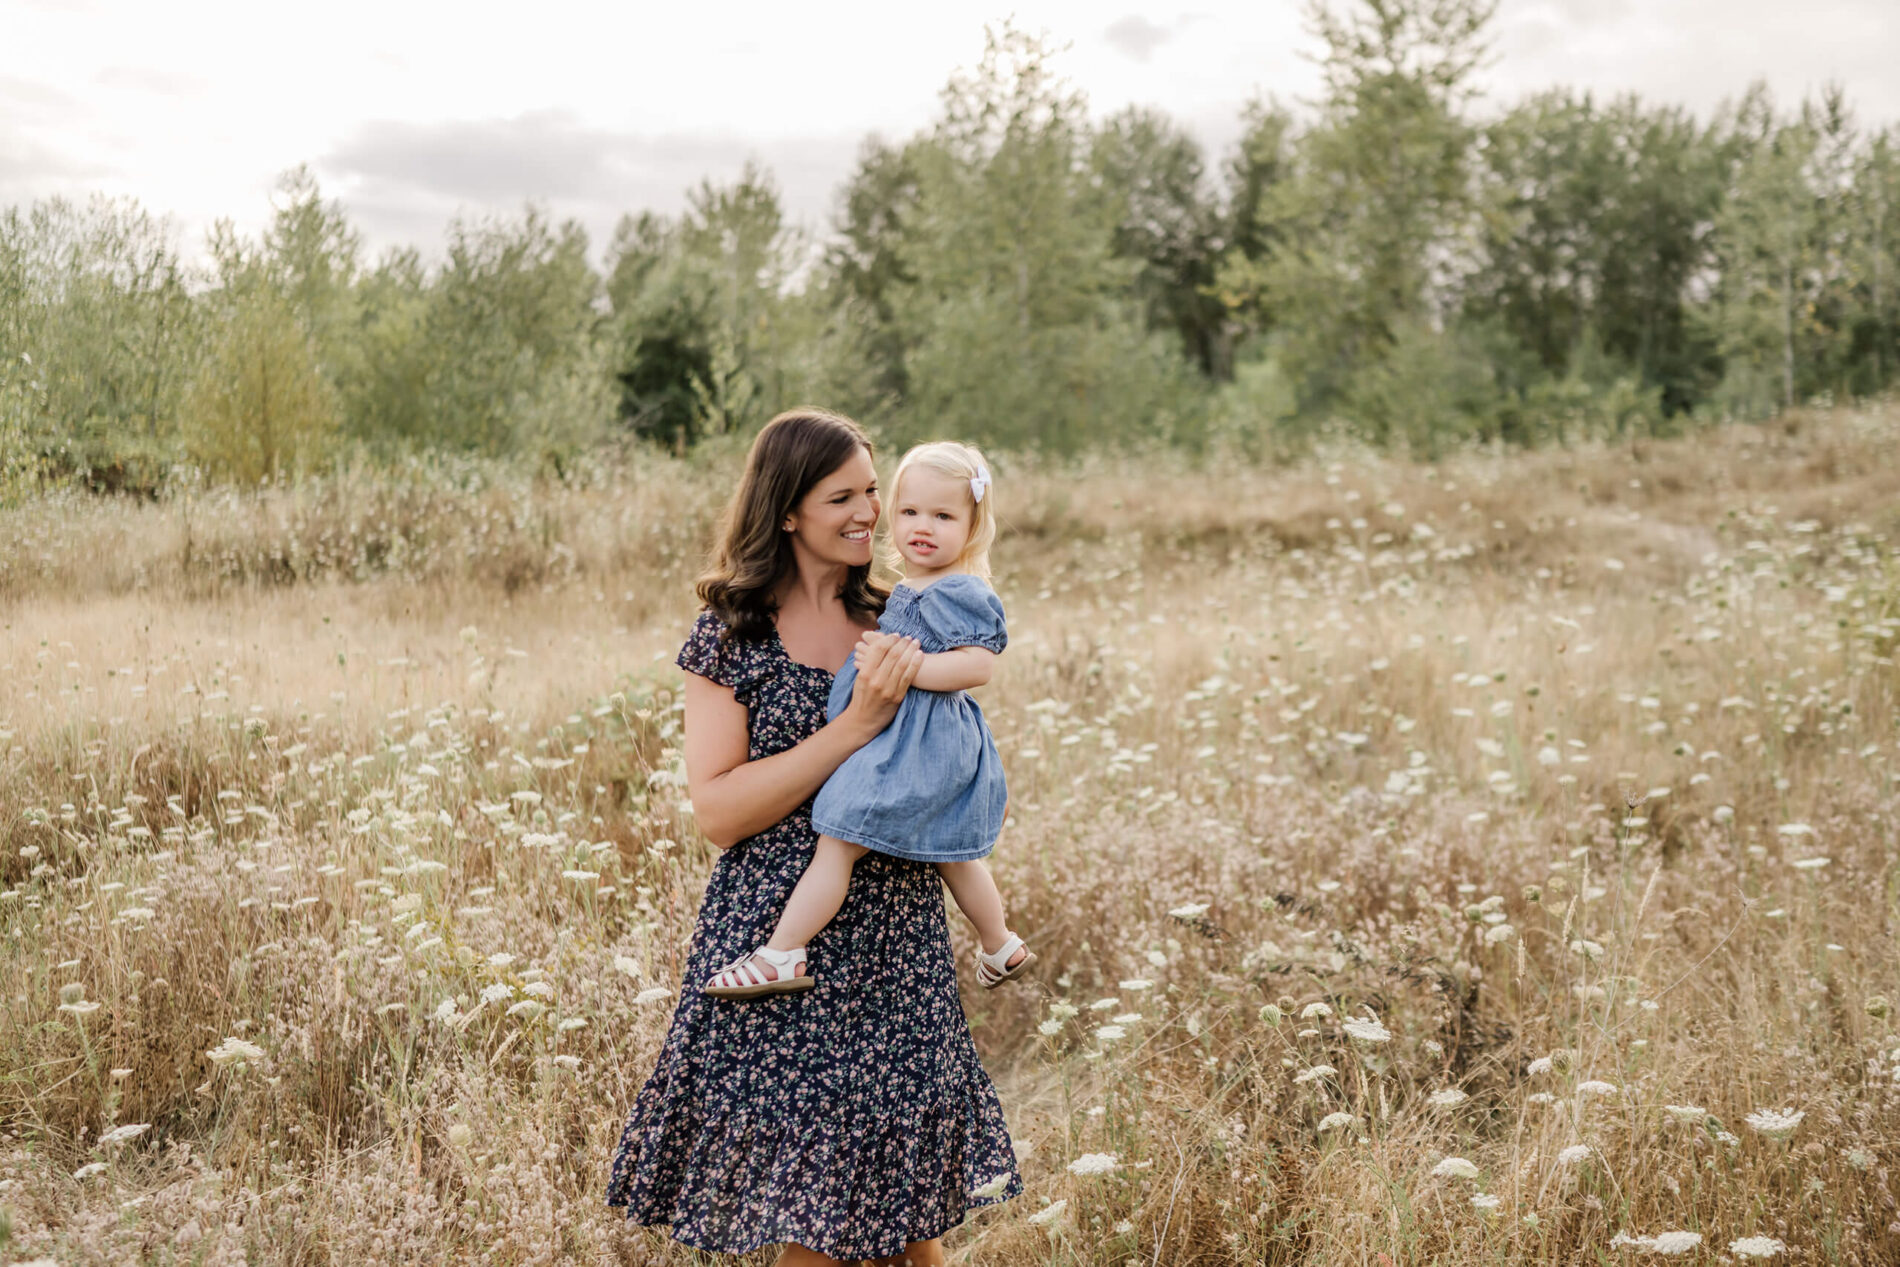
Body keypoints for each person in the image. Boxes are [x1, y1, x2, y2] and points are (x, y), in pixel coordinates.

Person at [605, 409, 1022, 1266]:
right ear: (788, 510)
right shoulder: (733, 635)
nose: (872, 513)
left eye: (875, 490)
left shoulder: (903, 615)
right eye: (845, 496)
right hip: (781, 946)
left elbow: (951, 732)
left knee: (911, 1221)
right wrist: (853, 726)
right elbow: (718, 811)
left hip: (895, 937)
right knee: (815, 1230)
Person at [704, 441, 1033, 1000]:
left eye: (943, 516)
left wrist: (907, 669)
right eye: (909, 512)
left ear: (974, 528)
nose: (920, 526)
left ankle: (783, 951)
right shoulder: (909, 589)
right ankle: (1000, 942)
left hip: (915, 742)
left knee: (837, 836)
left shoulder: (958, 589)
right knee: (954, 853)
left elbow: (979, 665)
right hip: (919, 739)